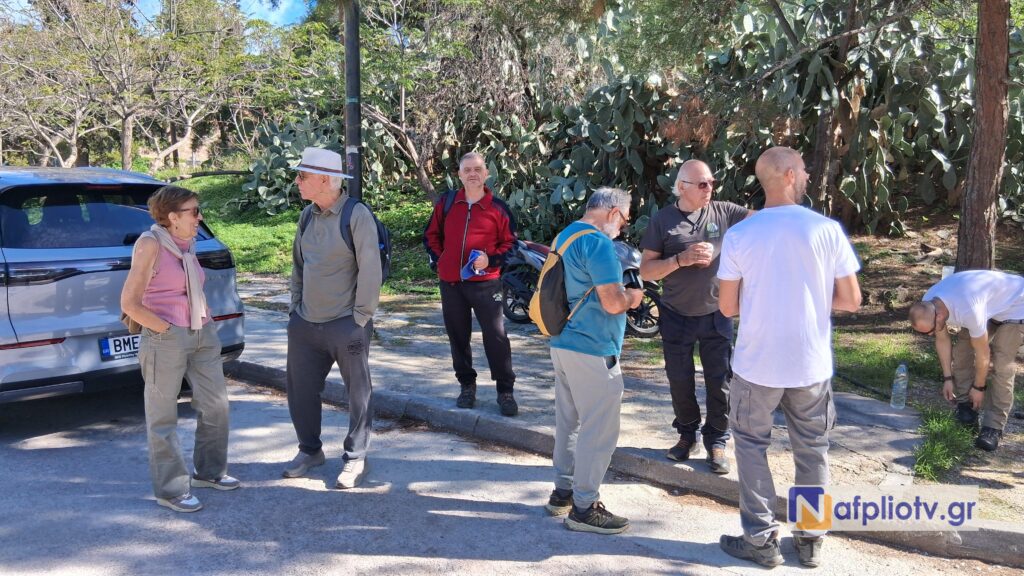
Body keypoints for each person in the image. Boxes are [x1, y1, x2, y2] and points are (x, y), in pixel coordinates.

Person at [715, 147, 861, 568]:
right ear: (790, 175)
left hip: (756, 363)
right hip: (810, 363)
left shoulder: (741, 234)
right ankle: (811, 539)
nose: (809, 175)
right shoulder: (826, 229)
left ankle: (761, 540)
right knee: (813, 450)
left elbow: (727, 307)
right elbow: (851, 300)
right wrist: (809, 297)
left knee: (750, 448)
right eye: (804, 169)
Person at [121, 185, 239, 513]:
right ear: (173, 216)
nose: (200, 217)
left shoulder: (187, 244)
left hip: (203, 332)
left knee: (216, 406)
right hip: (166, 338)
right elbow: (129, 303)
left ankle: (210, 472)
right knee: (163, 417)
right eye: (194, 211)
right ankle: (171, 490)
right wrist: (165, 329)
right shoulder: (150, 244)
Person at [639, 159, 752, 474]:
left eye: (712, 182)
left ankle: (717, 440)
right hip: (676, 313)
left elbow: (762, 220)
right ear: (681, 187)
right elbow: (646, 270)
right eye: (702, 184)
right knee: (679, 379)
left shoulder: (724, 212)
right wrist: (680, 260)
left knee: (720, 381)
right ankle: (687, 435)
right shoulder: (662, 220)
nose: (709, 188)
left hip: (717, 312)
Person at [543, 187, 644, 535]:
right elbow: (612, 303)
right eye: (624, 219)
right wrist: (634, 297)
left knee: (569, 423)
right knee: (599, 429)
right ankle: (585, 507)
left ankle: (563, 493)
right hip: (592, 347)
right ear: (613, 212)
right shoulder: (598, 243)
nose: (623, 226)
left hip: (562, 341)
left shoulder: (566, 235)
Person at [282, 147, 383, 489]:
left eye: (303, 176)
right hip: (305, 324)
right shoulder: (306, 216)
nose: (297, 182)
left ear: (325, 180)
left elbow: (371, 269)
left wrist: (360, 318)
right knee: (300, 391)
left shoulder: (356, 215)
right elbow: (299, 266)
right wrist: (295, 310)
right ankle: (310, 451)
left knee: (358, 394)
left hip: (346, 324)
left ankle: (355, 457)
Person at [423, 152, 519, 416]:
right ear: (460, 175)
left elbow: (512, 244)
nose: (472, 174)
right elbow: (431, 235)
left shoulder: (498, 208)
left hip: (487, 284)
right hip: (451, 284)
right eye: (467, 170)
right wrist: (441, 260)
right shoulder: (447, 203)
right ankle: (467, 386)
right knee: (458, 336)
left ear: (486, 173)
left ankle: (505, 391)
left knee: (496, 336)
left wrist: (491, 260)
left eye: (477, 169)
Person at [908, 270, 1024, 452]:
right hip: (989, 307)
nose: (929, 334)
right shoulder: (929, 302)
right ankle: (966, 408)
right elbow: (942, 339)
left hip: (1016, 307)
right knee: (962, 352)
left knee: (1002, 364)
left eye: (929, 331)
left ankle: (993, 427)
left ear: (939, 316)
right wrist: (947, 378)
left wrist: (979, 387)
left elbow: (983, 354)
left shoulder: (969, 309)